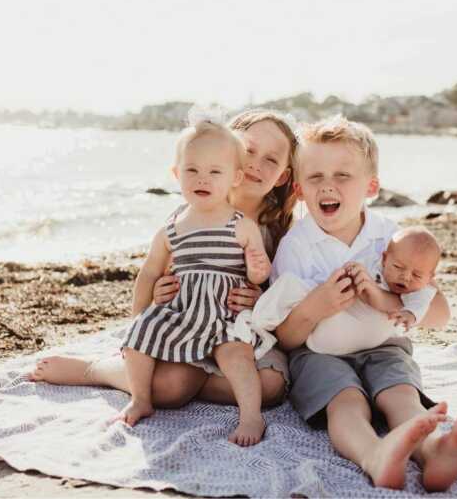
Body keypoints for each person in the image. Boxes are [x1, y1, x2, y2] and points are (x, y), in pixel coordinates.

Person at [29, 109, 298, 427]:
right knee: (170, 388)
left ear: (282, 175)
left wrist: (258, 298)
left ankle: (194, 383)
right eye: (250, 150)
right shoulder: (190, 215)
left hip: (238, 334)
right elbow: (162, 273)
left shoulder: (282, 228)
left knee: (271, 386)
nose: (256, 163)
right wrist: (158, 294)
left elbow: (283, 295)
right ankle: (96, 369)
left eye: (271, 159)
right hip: (188, 326)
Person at [267, 115, 457, 491]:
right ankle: (375, 454)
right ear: (299, 188)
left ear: (371, 186)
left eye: (343, 175)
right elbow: (286, 338)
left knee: (401, 396)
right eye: (315, 177)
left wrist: (395, 299)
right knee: (346, 402)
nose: (328, 186)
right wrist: (316, 306)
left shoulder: (391, 238)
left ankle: (436, 451)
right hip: (318, 354)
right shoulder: (296, 247)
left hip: (384, 344)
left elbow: (439, 314)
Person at [253, 225, 446, 356]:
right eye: (398, 267)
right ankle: (262, 318)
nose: (405, 277)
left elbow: (423, 307)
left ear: (430, 278)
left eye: (417, 276)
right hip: (331, 323)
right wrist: (353, 272)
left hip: (356, 338)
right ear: (385, 258)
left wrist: (409, 314)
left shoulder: (422, 291)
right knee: (293, 286)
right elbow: (356, 268)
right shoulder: (377, 261)